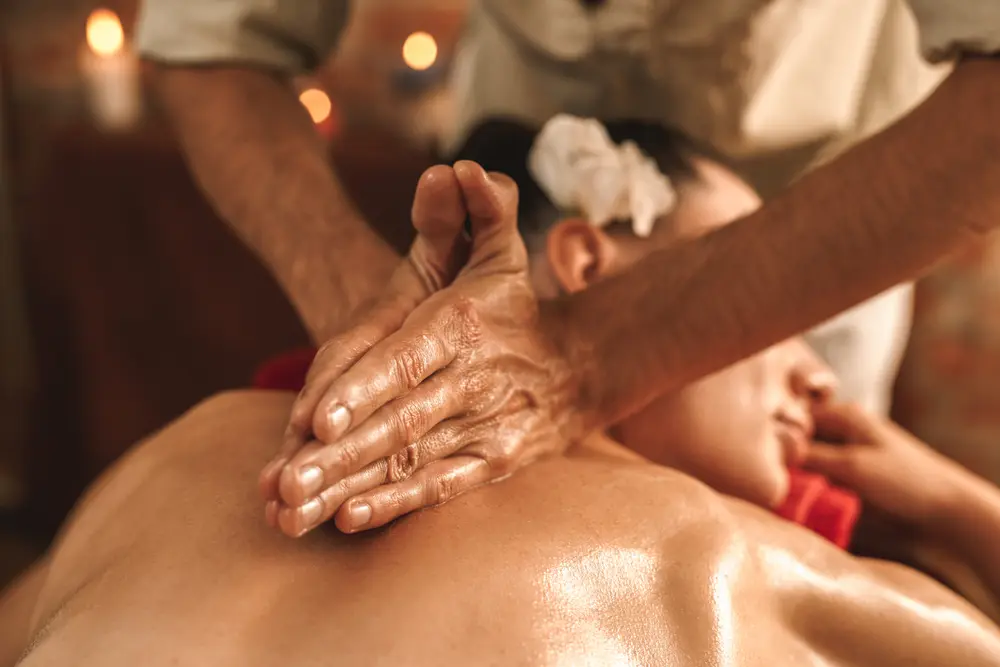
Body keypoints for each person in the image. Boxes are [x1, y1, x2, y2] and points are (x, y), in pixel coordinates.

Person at [3, 161, 1000, 666]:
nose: (814, 374)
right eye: (762, 290)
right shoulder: (725, 566)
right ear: (585, 259)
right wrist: (958, 503)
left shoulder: (172, 456)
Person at [136, 1, 1000, 530]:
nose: (817, 378)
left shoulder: (799, 490)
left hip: (833, 219)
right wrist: (383, 328)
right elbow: (210, 40)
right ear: (584, 256)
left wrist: (586, 359)